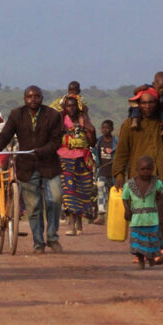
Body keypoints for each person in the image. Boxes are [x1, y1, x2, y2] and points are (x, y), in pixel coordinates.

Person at [0, 86, 64, 253]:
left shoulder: (53, 116)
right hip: (27, 167)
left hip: (49, 165)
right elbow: (4, 136)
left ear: (42, 98)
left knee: (55, 199)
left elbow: (57, 141)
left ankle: (52, 237)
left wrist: (42, 151)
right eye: (29, 97)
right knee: (33, 207)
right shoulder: (16, 115)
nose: (33, 99)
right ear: (24, 99)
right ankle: (38, 243)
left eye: (36, 96)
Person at [114, 87, 163, 251]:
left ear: (157, 104)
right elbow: (122, 151)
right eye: (144, 103)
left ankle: (162, 247)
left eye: (151, 102)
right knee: (139, 215)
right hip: (137, 179)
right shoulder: (130, 124)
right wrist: (119, 174)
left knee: (161, 214)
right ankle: (141, 249)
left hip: (159, 175)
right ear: (138, 105)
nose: (148, 106)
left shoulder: (162, 123)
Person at [121, 156, 163, 267]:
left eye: (148, 169)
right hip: (137, 219)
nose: (146, 172)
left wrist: (159, 207)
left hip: (152, 218)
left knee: (152, 240)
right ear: (137, 169)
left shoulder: (157, 183)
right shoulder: (130, 185)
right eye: (143, 169)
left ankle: (151, 258)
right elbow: (125, 198)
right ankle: (141, 259)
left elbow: (160, 194)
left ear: (153, 169)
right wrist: (127, 210)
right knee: (138, 241)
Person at [57, 94, 97, 236]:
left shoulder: (83, 119)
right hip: (65, 159)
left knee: (82, 191)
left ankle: (79, 223)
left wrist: (86, 121)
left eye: (74, 105)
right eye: (68, 106)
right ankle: (72, 225)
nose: (71, 108)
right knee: (69, 191)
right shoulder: (62, 120)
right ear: (65, 108)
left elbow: (92, 138)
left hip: (82, 160)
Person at [128, 72, 163, 137]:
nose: (161, 90)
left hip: (159, 112)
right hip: (146, 111)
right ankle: (135, 119)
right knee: (136, 104)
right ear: (154, 84)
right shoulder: (148, 88)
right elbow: (135, 92)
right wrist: (140, 89)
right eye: (159, 88)